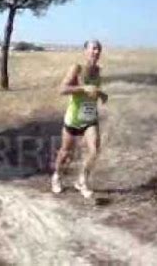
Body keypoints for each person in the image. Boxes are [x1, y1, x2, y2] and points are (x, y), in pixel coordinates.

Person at [51, 40, 108, 198]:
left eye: (99, 49)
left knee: (94, 150)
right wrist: (83, 88)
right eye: (93, 48)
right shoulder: (77, 68)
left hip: (89, 117)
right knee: (65, 153)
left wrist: (101, 94)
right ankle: (56, 176)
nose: (96, 52)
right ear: (85, 51)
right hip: (74, 117)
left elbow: (94, 90)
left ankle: (81, 180)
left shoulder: (98, 70)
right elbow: (62, 89)